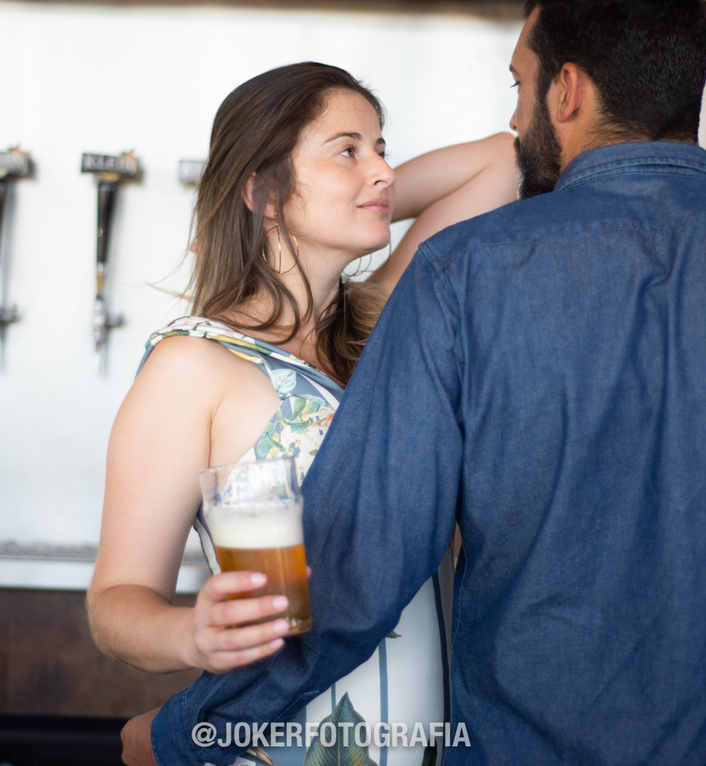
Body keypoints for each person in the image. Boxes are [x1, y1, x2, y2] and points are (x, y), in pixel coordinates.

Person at [124, 0, 706, 764]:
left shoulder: (463, 275)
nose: (515, 116)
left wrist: (185, 729)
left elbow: (356, 576)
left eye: (520, 83)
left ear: (568, 91)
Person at [88, 61, 519, 765]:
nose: (381, 169)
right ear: (262, 189)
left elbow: (508, 160)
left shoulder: (384, 327)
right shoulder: (193, 367)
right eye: (348, 150)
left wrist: (361, 191)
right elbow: (115, 601)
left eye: (382, 148)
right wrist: (190, 635)